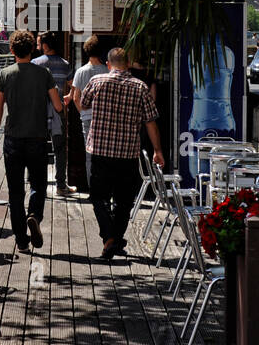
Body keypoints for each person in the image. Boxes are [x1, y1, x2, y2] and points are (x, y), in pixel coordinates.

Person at [82, 48, 165, 260]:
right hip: (127, 154)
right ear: (127, 64)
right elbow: (150, 122)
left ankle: (109, 238)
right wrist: (157, 150)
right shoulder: (140, 87)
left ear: (109, 64)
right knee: (124, 201)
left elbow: (83, 104)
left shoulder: (97, 81)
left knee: (98, 197)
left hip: (100, 151)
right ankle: (115, 240)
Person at [0, 30, 64, 252]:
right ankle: (34, 214)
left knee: (14, 191)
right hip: (38, 138)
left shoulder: (5, 74)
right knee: (38, 184)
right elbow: (58, 106)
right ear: (33, 49)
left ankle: (21, 240)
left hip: (12, 139)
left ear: (12, 50)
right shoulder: (44, 73)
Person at [32, 32, 74, 196]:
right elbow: (72, 84)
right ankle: (60, 185)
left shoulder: (36, 63)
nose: (37, 47)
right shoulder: (65, 64)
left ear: (45, 46)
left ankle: (35, 183)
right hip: (58, 111)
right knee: (60, 150)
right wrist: (69, 97)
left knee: (37, 148)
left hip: (40, 112)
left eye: (38, 43)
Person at [70, 35, 108, 190]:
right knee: (105, 154)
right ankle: (106, 189)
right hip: (105, 118)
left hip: (87, 117)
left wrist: (82, 112)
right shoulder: (107, 71)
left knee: (89, 155)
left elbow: (75, 97)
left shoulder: (80, 71)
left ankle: (94, 189)